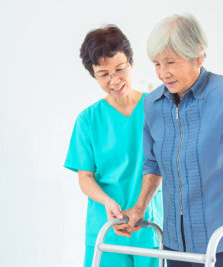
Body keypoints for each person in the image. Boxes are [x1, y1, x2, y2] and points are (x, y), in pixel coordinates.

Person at [116, 14, 223, 267]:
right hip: (176, 248)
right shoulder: (153, 104)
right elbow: (153, 164)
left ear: (198, 56)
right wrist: (140, 206)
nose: (163, 73)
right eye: (156, 64)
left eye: (171, 62)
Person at [64, 25, 163, 267]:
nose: (115, 80)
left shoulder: (157, 108)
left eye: (120, 69)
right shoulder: (88, 120)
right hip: (106, 228)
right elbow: (85, 177)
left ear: (131, 62)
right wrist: (108, 202)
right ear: (93, 74)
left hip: (149, 226)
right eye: (104, 74)